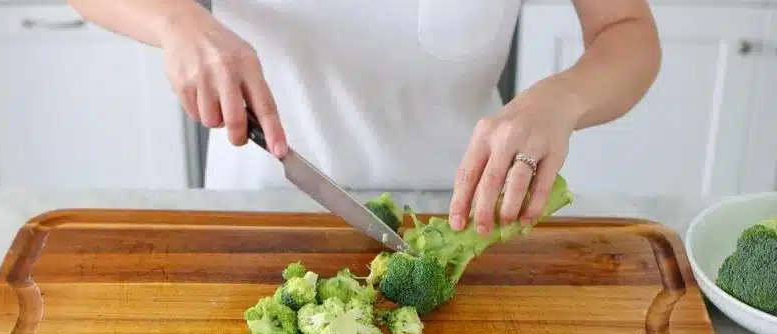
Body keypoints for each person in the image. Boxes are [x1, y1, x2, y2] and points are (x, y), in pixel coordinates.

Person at [66, 0, 661, 235]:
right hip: (258, 208)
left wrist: (562, 97)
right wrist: (177, 23)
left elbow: (626, 31)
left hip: (460, 216)